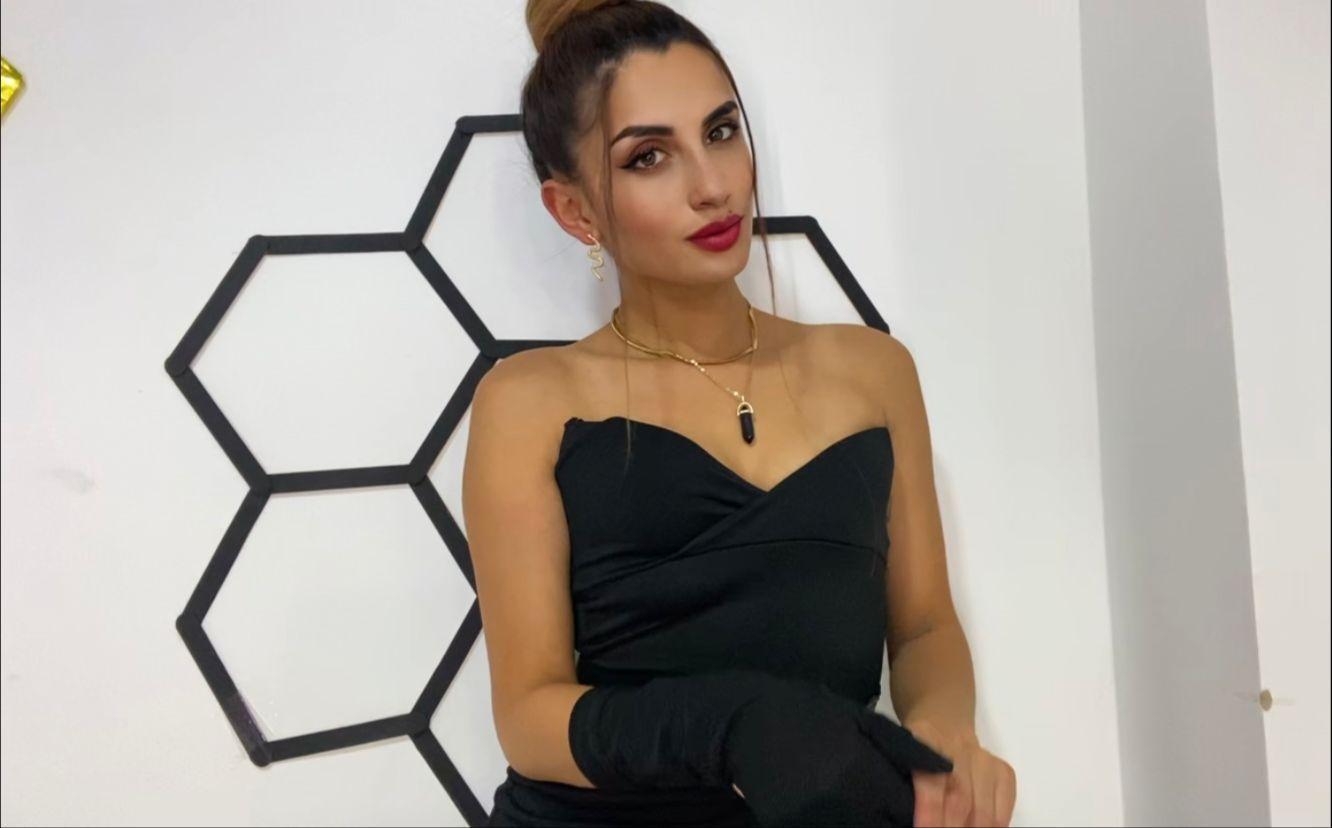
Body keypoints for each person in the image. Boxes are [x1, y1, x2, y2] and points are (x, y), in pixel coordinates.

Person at [463, 1, 1016, 825]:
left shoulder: (874, 370)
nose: (713, 186)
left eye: (720, 132)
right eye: (650, 157)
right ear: (574, 211)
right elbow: (527, 716)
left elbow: (926, 625)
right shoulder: (529, 400)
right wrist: (731, 726)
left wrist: (943, 733)